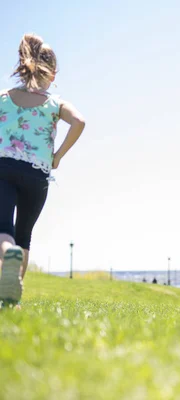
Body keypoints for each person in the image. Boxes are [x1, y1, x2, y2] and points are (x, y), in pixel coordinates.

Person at [0, 34, 85, 308]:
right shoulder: (55, 103)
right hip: (37, 174)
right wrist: (57, 156)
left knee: (3, 229)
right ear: (53, 73)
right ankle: (13, 297)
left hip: (4, 168)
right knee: (24, 233)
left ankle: (6, 253)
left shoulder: (4, 97)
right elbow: (79, 122)